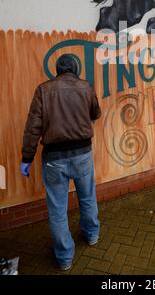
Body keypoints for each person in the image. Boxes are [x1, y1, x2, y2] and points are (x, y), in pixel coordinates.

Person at [20, 54, 101, 271]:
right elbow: (96, 113)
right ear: (75, 68)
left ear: (57, 69)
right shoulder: (86, 86)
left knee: (57, 209)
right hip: (83, 154)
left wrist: (26, 158)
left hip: (54, 160)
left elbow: (32, 128)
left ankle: (65, 259)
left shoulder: (43, 90)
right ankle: (92, 236)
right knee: (87, 198)